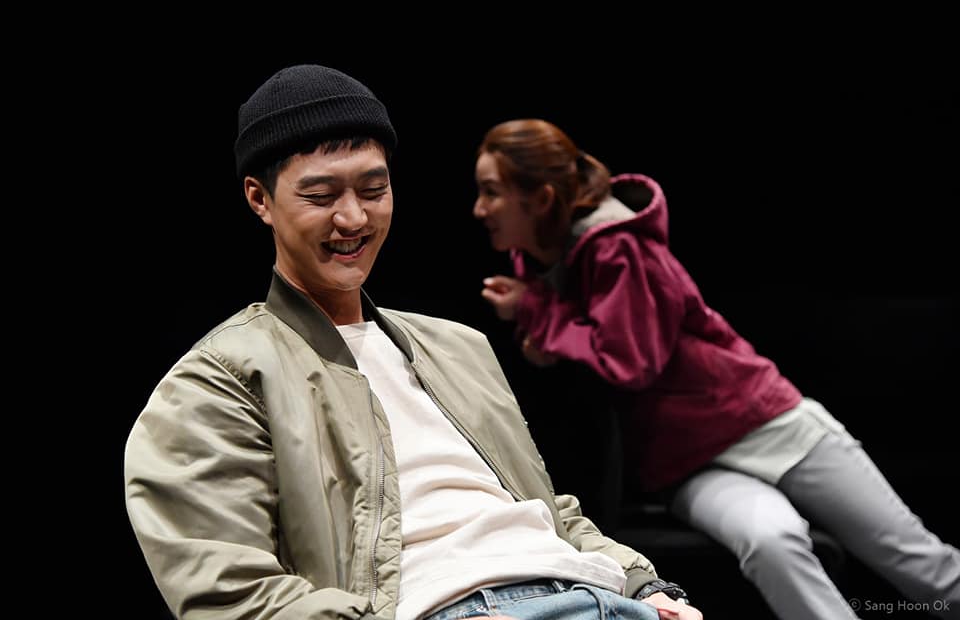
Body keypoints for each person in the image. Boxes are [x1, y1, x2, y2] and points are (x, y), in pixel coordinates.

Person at [123, 66, 704, 620]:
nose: (354, 218)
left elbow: (547, 510)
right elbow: (229, 591)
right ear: (259, 199)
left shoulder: (459, 347)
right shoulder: (219, 379)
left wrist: (645, 584)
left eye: (373, 189)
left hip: (598, 595)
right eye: (321, 196)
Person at [471, 118, 960, 620]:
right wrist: (540, 319)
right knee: (772, 542)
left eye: (491, 192)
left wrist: (536, 310)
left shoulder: (616, 245)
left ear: (542, 198)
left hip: (766, 425)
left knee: (924, 566)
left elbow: (631, 361)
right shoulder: (541, 261)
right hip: (687, 465)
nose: (479, 208)